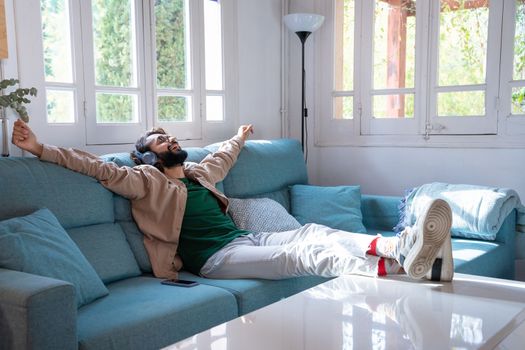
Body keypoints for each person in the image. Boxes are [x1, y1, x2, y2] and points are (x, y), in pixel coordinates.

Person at [11, 119, 453, 282]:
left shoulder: (200, 174)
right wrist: (39, 149)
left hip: (247, 238)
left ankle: (403, 257)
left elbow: (222, 156)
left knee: (313, 232)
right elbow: (92, 166)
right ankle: (404, 251)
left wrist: (239, 137)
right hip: (216, 260)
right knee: (308, 253)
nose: (171, 139)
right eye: (161, 139)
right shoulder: (142, 181)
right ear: (147, 154)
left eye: (170, 135)